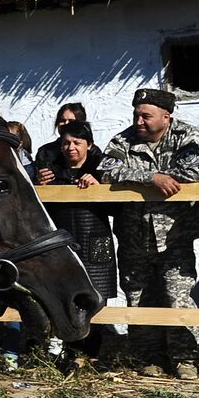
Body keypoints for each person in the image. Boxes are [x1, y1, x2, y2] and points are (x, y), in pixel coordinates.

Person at [98, 88, 199, 379]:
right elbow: (107, 171)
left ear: (166, 117)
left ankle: (185, 359)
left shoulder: (186, 136)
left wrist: (137, 177)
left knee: (178, 296)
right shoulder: (123, 140)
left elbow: (196, 171)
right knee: (138, 297)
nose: (139, 121)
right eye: (136, 115)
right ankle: (149, 358)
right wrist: (152, 177)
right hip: (133, 235)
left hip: (176, 235)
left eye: (146, 116)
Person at [34, 120, 117, 364]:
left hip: (96, 239)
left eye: (77, 142)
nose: (71, 147)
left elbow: (117, 208)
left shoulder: (101, 169)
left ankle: (91, 354)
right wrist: (40, 187)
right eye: (66, 143)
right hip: (63, 242)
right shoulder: (51, 171)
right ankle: (68, 351)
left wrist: (100, 187)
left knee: (97, 295)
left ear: (88, 145)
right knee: (64, 295)